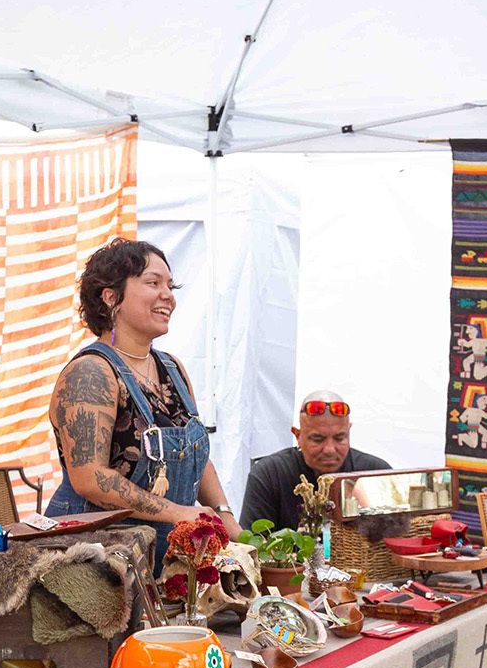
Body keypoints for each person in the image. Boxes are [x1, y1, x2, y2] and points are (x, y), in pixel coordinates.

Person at [46, 239, 241, 566]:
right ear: (112, 298)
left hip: (161, 559)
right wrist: (179, 513)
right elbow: (89, 477)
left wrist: (226, 518)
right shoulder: (91, 373)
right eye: (153, 283)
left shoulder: (172, 369)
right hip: (95, 562)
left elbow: (196, 457)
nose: (169, 295)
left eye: (170, 285)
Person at [239, 390, 390, 531]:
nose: (330, 449)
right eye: (318, 439)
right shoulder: (269, 474)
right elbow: (252, 545)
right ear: (297, 435)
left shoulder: (375, 472)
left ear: (349, 431)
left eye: (339, 438)